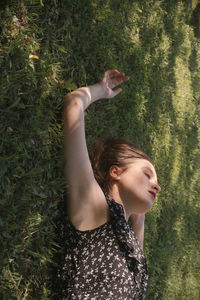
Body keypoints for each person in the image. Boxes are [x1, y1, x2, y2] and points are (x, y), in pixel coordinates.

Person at [57, 70, 161, 299]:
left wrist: (138, 215)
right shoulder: (97, 209)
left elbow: (135, 264)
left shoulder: (125, 237)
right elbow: (73, 105)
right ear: (115, 172)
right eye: (147, 174)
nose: (157, 186)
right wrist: (100, 90)